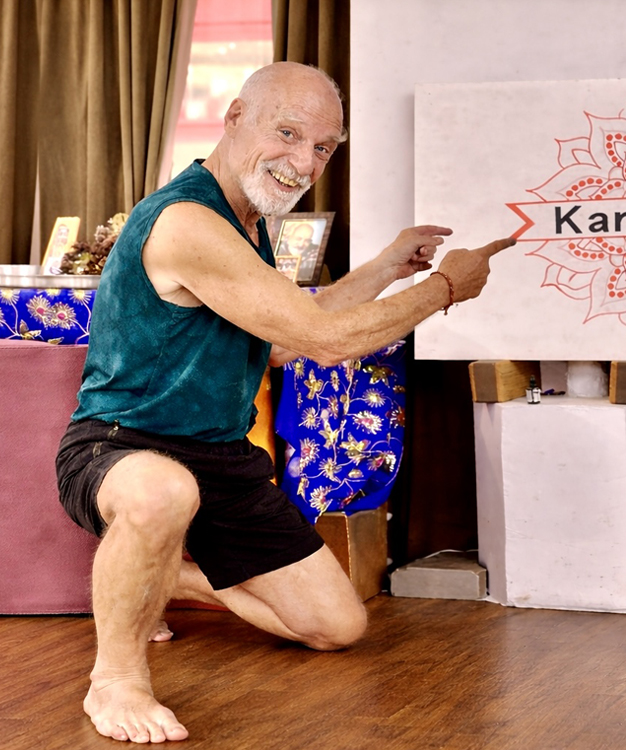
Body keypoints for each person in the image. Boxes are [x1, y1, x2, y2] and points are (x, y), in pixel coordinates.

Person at [54, 61, 514, 744]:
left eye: (323, 147)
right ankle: (116, 680)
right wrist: (445, 288)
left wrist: (388, 268)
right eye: (289, 133)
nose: (303, 162)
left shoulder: (247, 220)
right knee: (163, 492)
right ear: (235, 117)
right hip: (121, 445)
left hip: (220, 458)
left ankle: (164, 577)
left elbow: (282, 341)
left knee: (337, 627)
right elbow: (325, 341)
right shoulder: (187, 220)